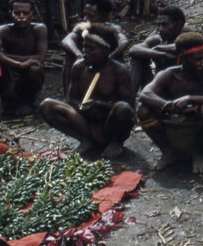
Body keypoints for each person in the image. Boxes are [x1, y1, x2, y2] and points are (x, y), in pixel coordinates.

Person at [138, 31, 203, 173]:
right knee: (143, 110)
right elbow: (145, 94)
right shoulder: (169, 74)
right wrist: (168, 106)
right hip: (173, 128)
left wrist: (191, 99)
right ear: (183, 60)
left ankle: (198, 155)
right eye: (198, 60)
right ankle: (168, 153)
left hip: (200, 130)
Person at [40, 22, 136, 158]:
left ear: (106, 50)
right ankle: (85, 140)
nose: (85, 51)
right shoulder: (79, 67)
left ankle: (116, 143)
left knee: (122, 108)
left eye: (91, 48)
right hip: (84, 123)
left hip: (109, 124)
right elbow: (71, 99)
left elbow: (129, 106)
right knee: (47, 105)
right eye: (84, 47)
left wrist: (99, 105)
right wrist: (80, 107)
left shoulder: (118, 71)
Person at [61, 0, 128, 95]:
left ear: (103, 16)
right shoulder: (82, 27)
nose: (85, 18)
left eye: (90, 16)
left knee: (118, 56)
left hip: (107, 71)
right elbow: (67, 40)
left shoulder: (113, 29)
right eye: (85, 14)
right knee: (69, 56)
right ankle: (68, 97)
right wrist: (78, 55)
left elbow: (123, 41)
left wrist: (112, 55)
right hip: (86, 68)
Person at [0, 0, 48, 115]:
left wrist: (7, 56)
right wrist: (21, 63)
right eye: (17, 13)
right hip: (9, 73)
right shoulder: (4, 31)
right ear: (11, 14)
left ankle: (27, 101)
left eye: (25, 13)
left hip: (29, 75)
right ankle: (6, 100)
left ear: (32, 14)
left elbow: (40, 57)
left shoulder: (39, 29)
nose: (21, 17)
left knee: (35, 68)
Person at [129, 6, 185, 91]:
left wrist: (160, 48)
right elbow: (133, 50)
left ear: (178, 24)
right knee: (137, 59)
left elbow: (184, 46)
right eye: (158, 25)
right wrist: (162, 54)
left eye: (164, 25)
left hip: (181, 88)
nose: (160, 29)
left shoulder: (189, 37)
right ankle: (130, 101)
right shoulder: (157, 39)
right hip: (159, 86)